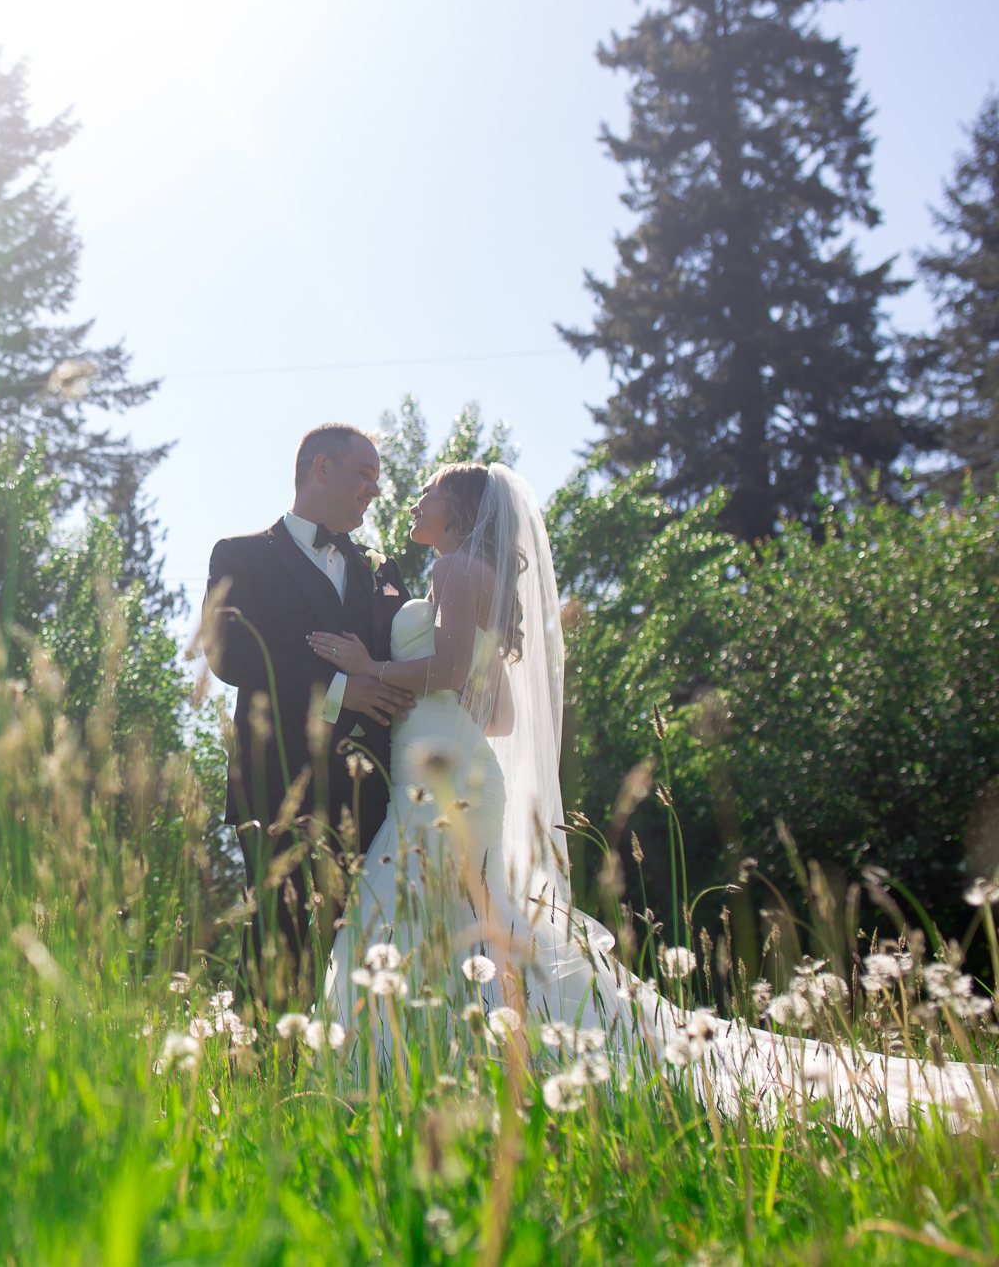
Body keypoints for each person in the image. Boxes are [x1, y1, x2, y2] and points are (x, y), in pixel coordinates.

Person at [309, 461, 986, 1126]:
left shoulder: (454, 569)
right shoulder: (483, 580)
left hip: (440, 782)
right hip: (462, 771)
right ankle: (487, 1063)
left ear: (457, 507)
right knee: (459, 918)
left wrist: (373, 670)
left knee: (413, 911)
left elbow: (451, 668)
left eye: (429, 490)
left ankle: (427, 1076)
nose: (416, 497)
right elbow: (500, 717)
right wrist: (417, 699)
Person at [205, 424, 415, 997]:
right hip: (276, 789)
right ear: (321, 468)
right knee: (281, 955)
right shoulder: (241, 555)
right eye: (364, 475)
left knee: (371, 964)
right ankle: (265, 1080)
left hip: (375, 798)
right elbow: (227, 653)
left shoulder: (382, 568)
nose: (375, 489)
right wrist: (340, 688)